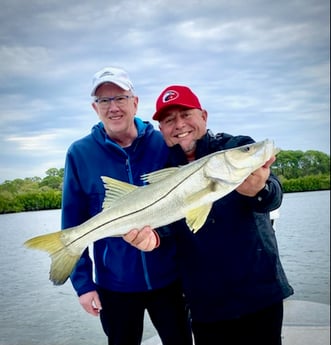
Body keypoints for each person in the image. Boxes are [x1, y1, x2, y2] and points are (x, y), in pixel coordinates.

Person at [124, 85, 294, 345]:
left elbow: (274, 194)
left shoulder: (236, 147)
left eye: (186, 114)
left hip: (259, 293)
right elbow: (166, 230)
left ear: (203, 116)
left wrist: (260, 189)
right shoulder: (163, 172)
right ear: (162, 131)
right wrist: (152, 240)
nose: (179, 124)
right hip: (205, 304)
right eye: (169, 120)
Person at [61, 71, 192, 345]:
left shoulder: (163, 142)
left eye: (120, 97)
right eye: (104, 100)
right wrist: (83, 285)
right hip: (114, 285)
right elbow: (72, 222)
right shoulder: (79, 153)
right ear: (94, 108)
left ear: (135, 102)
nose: (113, 107)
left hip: (170, 279)